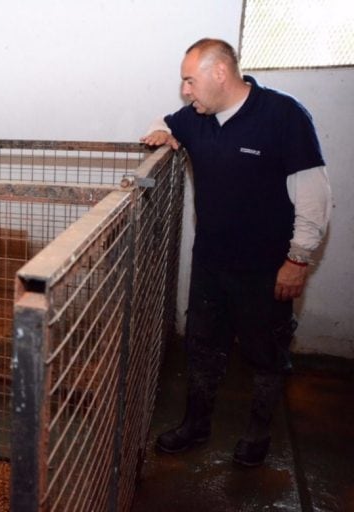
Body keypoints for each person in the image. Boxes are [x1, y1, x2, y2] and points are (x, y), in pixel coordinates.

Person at [140, 38, 332, 467]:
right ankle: (196, 425)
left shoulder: (283, 115)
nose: (186, 91)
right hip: (211, 263)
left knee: (266, 353)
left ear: (219, 74)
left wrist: (298, 259)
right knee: (203, 347)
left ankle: (258, 434)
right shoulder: (195, 120)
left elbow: (314, 196)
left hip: (268, 268)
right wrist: (164, 131)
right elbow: (163, 121)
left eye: (190, 81)